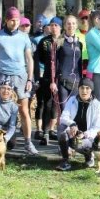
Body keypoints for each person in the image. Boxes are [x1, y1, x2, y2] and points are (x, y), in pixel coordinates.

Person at [0, 7, 38, 155]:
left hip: (20, 77)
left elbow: (29, 58)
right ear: (6, 20)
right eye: (12, 20)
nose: (15, 22)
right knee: (1, 110)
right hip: (3, 77)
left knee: (24, 110)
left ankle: (28, 143)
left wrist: (30, 78)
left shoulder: (24, 37)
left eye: (17, 20)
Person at [55, 78, 100, 171]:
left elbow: (96, 128)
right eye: (81, 88)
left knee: (79, 144)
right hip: (73, 132)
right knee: (61, 131)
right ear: (78, 89)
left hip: (87, 137)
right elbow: (63, 117)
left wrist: (84, 134)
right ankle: (65, 160)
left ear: (91, 90)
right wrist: (72, 124)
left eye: (87, 88)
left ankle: (89, 156)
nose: (84, 91)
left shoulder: (98, 105)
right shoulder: (72, 100)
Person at [34, 16, 64, 145]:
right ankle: (45, 132)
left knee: (59, 105)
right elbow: (38, 58)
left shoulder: (65, 40)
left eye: (56, 25)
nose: (53, 27)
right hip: (47, 77)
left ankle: (55, 130)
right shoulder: (44, 41)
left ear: (60, 27)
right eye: (51, 25)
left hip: (62, 77)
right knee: (47, 104)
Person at [56, 15, 84, 109]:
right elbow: (54, 62)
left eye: (73, 23)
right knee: (64, 111)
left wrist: (82, 80)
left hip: (76, 82)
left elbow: (80, 63)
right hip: (62, 81)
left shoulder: (79, 44)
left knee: (74, 110)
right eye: (68, 23)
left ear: (76, 26)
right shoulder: (59, 42)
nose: (71, 26)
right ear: (64, 26)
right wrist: (54, 81)